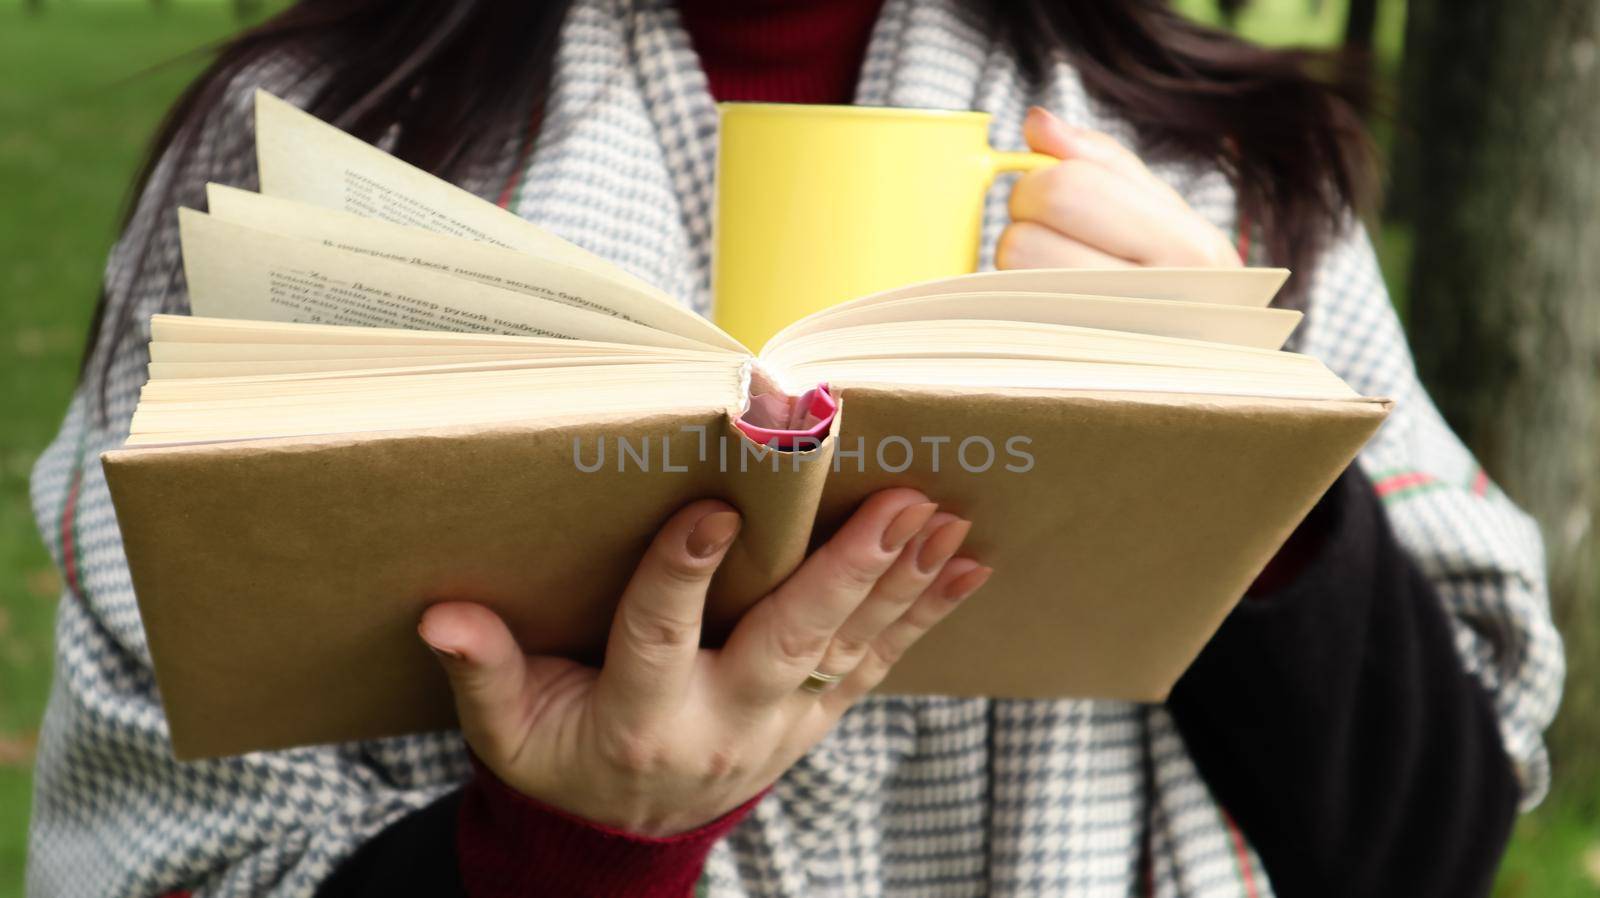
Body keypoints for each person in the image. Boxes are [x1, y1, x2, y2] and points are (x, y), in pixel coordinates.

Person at [26, 1, 1564, 896]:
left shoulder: (1217, 166)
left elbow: (1424, 845)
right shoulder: (304, 167)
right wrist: (570, 844)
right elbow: (174, 850)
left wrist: (1244, 466)